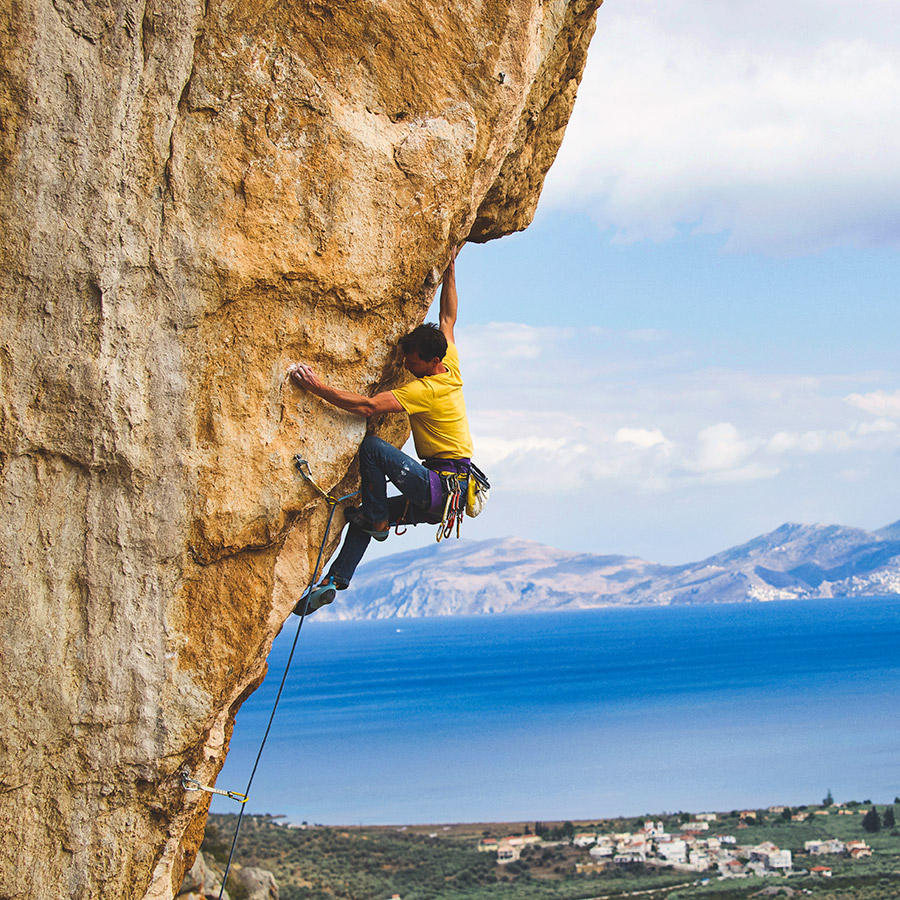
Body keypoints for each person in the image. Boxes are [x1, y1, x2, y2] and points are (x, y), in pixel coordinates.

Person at [287, 245, 473, 614]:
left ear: (431, 361)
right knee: (364, 519)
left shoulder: (427, 390)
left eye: (413, 359)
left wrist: (316, 388)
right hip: (445, 495)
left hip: (440, 484)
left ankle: (376, 519)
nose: (406, 361)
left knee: (372, 449)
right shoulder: (448, 363)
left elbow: (368, 407)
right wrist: (451, 268)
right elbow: (448, 317)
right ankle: (334, 581)